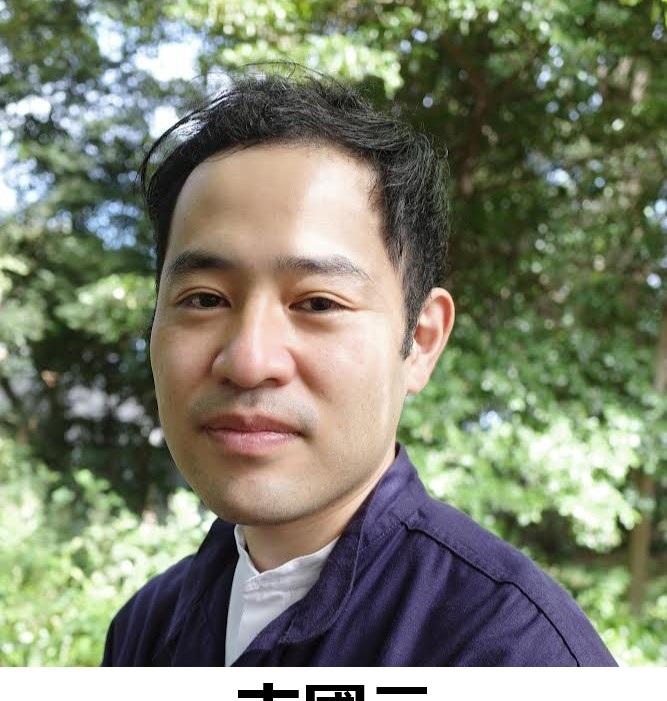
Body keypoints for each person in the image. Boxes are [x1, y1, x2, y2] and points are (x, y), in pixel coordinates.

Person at [102, 70, 616, 666]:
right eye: (204, 299)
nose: (248, 361)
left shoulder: (519, 657)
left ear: (420, 341)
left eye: (319, 303)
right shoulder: (145, 628)